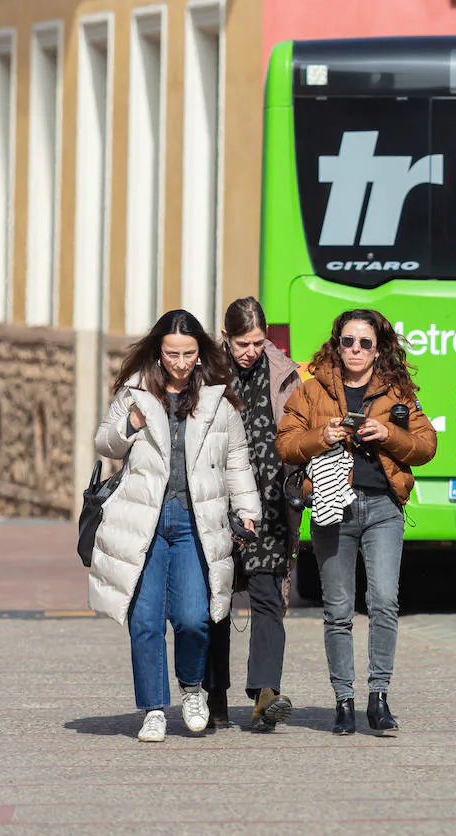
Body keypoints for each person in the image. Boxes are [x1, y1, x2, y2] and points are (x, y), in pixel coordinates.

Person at [89, 309, 260, 743]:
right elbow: (104, 442)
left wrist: (247, 509)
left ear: (200, 353)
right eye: (172, 354)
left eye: (188, 353)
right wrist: (129, 426)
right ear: (158, 354)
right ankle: (152, 709)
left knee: (193, 618)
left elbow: (236, 459)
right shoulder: (135, 393)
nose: (181, 362)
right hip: (143, 520)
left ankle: (191, 690)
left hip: (194, 522)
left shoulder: (217, 401)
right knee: (144, 620)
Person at [277, 309, 437, 736]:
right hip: (333, 506)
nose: (355, 350)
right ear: (337, 343)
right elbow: (286, 444)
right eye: (348, 341)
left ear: (378, 348)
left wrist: (388, 435)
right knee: (338, 609)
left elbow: (425, 446)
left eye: (365, 343)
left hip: (383, 506)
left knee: (384, 600)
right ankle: (343, 701)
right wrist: (322, 437)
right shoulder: (311, 392)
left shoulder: (396, 391)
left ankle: (378, 698)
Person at [204, 297, 303, 732]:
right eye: (242, 343)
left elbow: (299, 431)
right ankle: (215, 698)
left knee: (267, 600)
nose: (251, 351)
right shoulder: (206, 373)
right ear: (225, 338)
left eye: (258, 342)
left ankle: (266, 693)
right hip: (217, 505)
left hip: (269, 508)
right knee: (216, 602)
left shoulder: (285, 375)